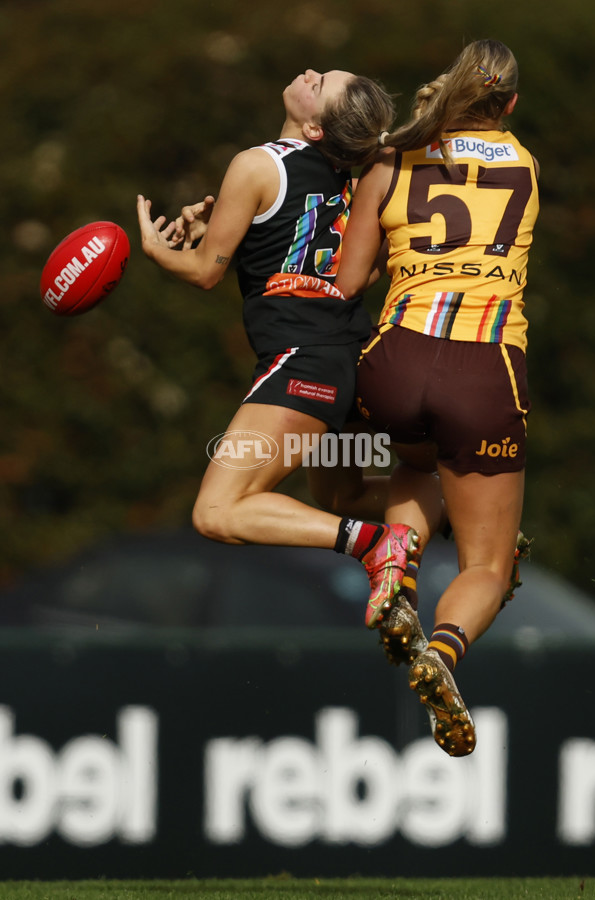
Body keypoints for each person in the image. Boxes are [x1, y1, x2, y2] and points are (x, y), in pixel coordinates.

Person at [137, 68, 432, 632]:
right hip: (353, 365)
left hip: (304, 365)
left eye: (322, 84)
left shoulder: (256, 164)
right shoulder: (364, 173)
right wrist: (222, 228)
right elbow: (359, 269)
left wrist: (156, 249)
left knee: (217, 510)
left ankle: (374, 544)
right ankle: (462, 514)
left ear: (317, 128)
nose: (311, 72)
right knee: (343, 493)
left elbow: (203, 275)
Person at [334, 40, 539, 757]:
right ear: (509, 104)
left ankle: (395, 561)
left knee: (417, 465)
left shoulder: (391, 159)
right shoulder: (525, 164)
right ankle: (443, 653)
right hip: (484, 372)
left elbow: (348, 280)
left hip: (393, 365)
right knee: (490, 564)